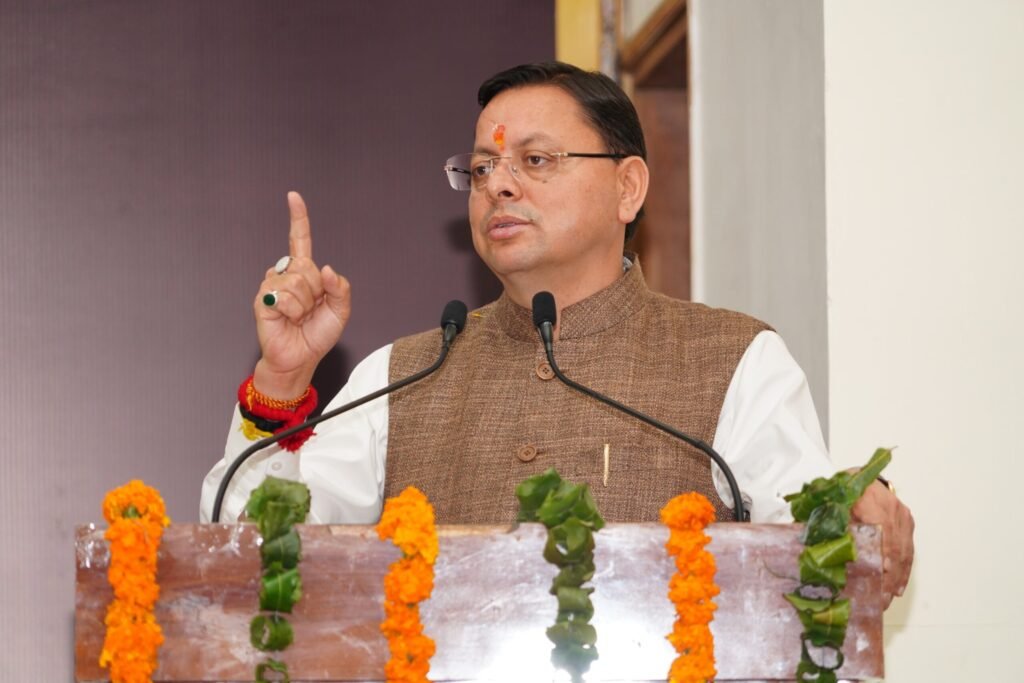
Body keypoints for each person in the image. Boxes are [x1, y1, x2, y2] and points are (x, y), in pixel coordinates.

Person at [200, 62, 913, 606]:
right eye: (483, 167)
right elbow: (254, 560)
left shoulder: (734, 360)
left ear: (627, 188)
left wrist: (854, 514)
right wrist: (282, 380)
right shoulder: (402, 374)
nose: (499, 185)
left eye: (535, 161)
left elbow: (815, 557)